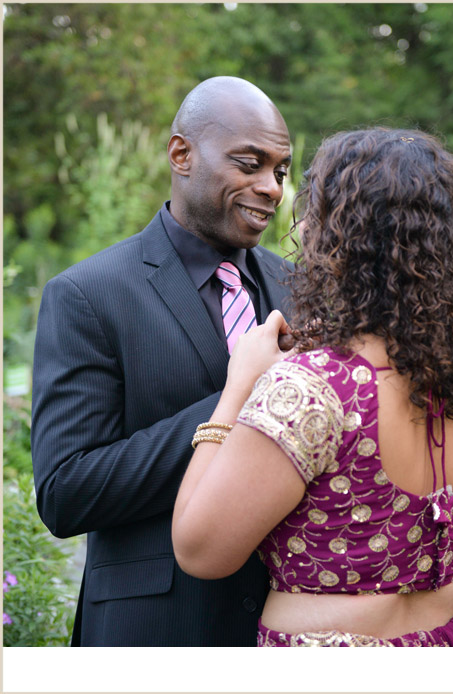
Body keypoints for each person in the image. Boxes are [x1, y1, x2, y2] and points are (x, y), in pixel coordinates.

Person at [171, 128, 453, 647]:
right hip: (449, 639)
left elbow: (200, 552)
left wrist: (239, 387)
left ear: (338, 238)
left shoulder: (314, 390)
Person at [31, 76, 293, 646]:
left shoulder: (299, 286)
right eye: (249, 163)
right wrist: (240, 398)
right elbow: (66, 491)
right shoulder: (88, 294)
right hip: (156, 631)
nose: (271, 187)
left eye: (280, 170)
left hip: (289, 624)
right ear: (181, 154)